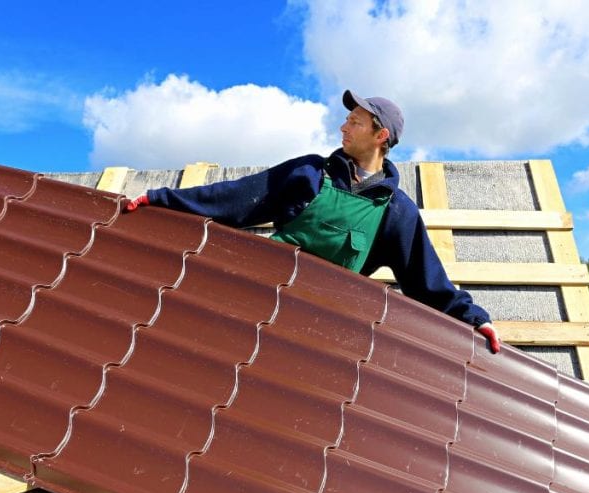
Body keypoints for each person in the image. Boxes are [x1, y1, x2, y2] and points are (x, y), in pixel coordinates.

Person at [125, 90, 501, 353]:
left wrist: (475, 320)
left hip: (317, 334)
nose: (343, 127)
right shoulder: (307, 173)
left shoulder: (395, 212)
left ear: (380, 136)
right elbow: (233, 200)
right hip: (250, 307)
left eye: (354, 122)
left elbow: (427, 283)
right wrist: (159, 199)